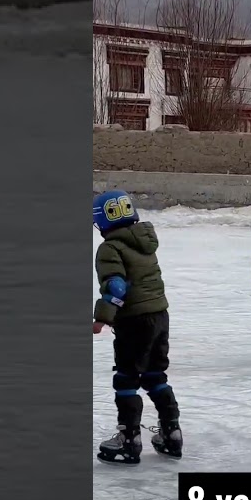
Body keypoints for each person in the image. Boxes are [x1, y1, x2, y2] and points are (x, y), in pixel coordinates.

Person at [93, 190, 182, 464]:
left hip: (134, 321)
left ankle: (129, 439)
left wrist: (103, 317)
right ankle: (171, 433)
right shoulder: (145, 242)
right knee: (155, 375)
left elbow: (117, 285)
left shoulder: (110, 247)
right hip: (159, 315)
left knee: (127, 378)